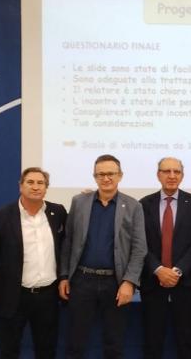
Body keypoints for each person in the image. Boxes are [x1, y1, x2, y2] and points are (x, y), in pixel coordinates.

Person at [0, 167, 68, 359]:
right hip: (13, 296)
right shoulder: (1, 216)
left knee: (47, 350)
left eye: (40, 183)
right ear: (20, 186)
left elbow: (68, 244)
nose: (35, 187)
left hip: (47, 296)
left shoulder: (58, 212)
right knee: (8, 350)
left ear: (46, 188)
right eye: (30, 182)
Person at [58, 154, 147, 359]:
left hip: (115, 283)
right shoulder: (79, 202)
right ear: (94, 176)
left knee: (114, 344)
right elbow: (68, 241)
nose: (106, 178)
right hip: (82, 281)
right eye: (101, 174)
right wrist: (64, 276)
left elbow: (139, 248)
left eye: (111, 174)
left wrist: (129, 282)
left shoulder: (133, 206)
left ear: (120, 176)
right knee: (75, 343)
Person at [139, 157, 191, 359]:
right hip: (153, 282)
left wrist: (177, 271)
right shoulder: (144, 204)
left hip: (185, 282)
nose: (171, 176)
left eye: (176, 172)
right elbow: (140, 243)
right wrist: (159, 270)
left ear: (182, 175)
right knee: (152, 340)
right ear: (158, 175)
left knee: (185, 340)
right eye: (166, 171)